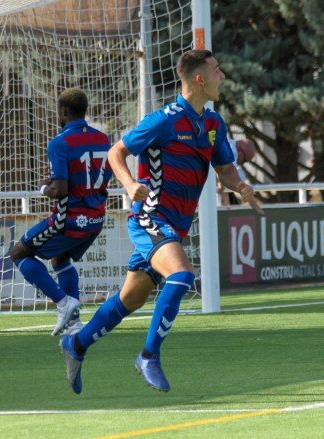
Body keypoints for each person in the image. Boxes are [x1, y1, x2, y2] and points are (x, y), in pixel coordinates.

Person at [59, 49, 256, 394]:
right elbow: (115, 152)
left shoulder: (213, 123)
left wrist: (240, 186)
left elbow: (224, 167)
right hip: (151, 217)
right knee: (181, 276)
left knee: (129, 301)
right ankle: (148, 356)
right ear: (199, 79)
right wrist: (131, 184)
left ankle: (75, 345)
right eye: (217, 70)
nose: (222, 76)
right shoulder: (163, 120)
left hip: (175, 226)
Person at [10, 88, 112, 337]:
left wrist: (44, 187)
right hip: (96, 218)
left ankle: (63, 302)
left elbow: (60, 189)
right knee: (60, 259)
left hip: (68, 221)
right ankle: (73, 322)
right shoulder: (103, 139)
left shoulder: (59, 142)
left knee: (19, 253)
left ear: (63, 111)